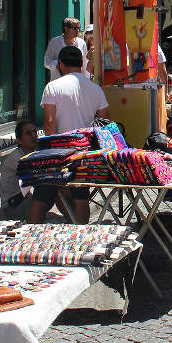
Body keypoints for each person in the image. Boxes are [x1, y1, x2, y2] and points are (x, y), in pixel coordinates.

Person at [29, 45, 110, 224]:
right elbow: (105, 122)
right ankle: (81, 234)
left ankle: (30, 235)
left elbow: (49, 122)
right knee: (81, 196)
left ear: (60, 65)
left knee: (42, 195)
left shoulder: (53, 87)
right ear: (81, 65)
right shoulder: (95, 89)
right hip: (84, 152)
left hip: (58, 152)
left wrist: (51, 151)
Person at [0, 120, 38, 220]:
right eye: (28, 133)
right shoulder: (16, 158)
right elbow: (37, 179)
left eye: (35, 131)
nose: (34, 135)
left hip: (24, 198)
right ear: (19, 140)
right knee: (46, 193)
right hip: (13, 205)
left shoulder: (33, 152)